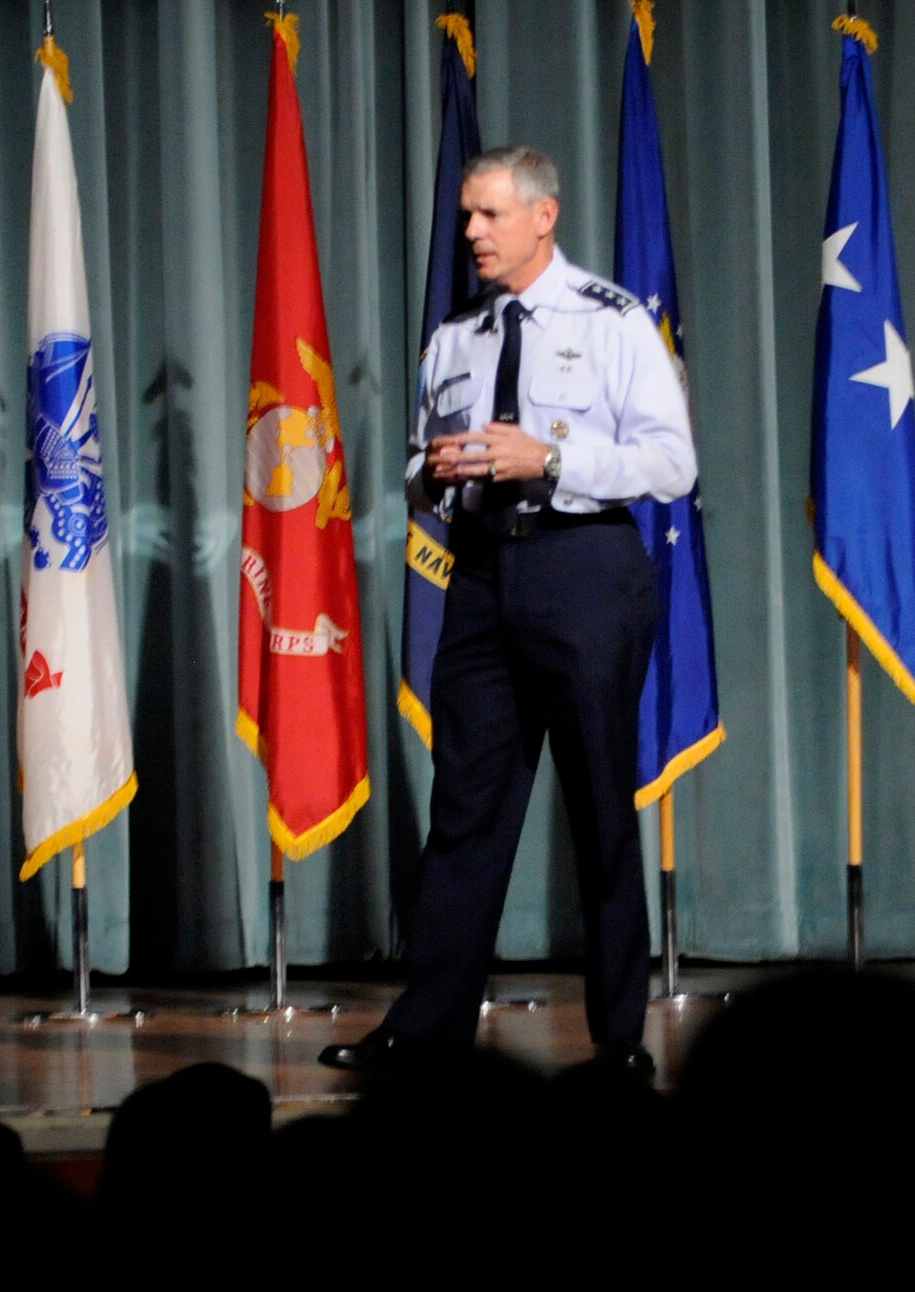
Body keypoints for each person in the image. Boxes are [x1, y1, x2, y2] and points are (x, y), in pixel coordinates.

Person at [323, 145, 695, 1077]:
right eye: (466, 216)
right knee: (466, 811)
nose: (472, 233)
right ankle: (426, 1029)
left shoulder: (611, 322)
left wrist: (555, 460)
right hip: (483, 580)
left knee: (602, 805)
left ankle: (616, 1042)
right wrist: (435, 472)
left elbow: (671, 461)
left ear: (543, 216)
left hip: (585, 573)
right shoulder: (457, 336)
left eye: (489, 215)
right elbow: (416, 463)